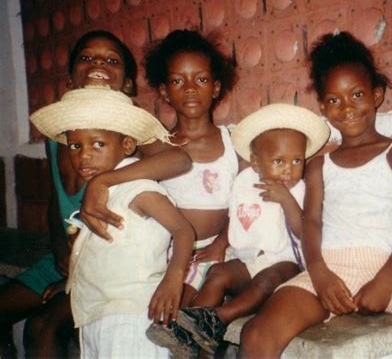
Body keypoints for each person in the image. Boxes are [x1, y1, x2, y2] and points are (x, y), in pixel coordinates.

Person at [238, 31, 392, 359]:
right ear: (322, 107)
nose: (346, 107)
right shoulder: (319, 165)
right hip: (327, 271)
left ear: (376, 94)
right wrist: (319, 276)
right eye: (334, 100)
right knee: (257, 334)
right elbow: (312, 224)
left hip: (391, 271)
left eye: (357, 94)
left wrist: (385, 282)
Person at [0, 29, 190, 359]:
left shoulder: (126, 133)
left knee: (42, 327)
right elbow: (53, 200)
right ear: (71, 78)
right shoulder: (62, 137)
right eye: (86, 57)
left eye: (111, 60)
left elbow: (179, 158)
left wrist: (103, 182)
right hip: (71, 259)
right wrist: (60, 247)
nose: (97, 63)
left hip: (112, 270)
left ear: (128, 84)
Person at [147, 103, 330, 356]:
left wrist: (286, 199)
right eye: (279, 161)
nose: (289, 169)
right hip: (247, 261)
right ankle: (188, 328)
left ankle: (217, 318)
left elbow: (304, 233)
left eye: (297, 160)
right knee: (219, 274)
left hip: (287, 264)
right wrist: (221, 244)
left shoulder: (300, 188)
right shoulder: (245, 182)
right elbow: (235, 217)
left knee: (266, 280)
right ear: (255, 162)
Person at [29, 85, 195, 359]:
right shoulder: (100, 195)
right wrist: (75, 282)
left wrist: (173, 279)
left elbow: (183, 230)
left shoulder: (138, 189)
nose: (83, 156)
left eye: (98, 144)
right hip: (97, 315)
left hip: (130, 318)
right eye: (75, 145)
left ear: (127, 146)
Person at [142, 29, 239, 307]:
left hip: (219, 250)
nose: (190, 88)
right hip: (167, 254)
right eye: (177, 80)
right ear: (164, 91)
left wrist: (221, 243)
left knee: (192, 310)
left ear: (216, 87)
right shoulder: (155, 147)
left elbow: (245, 200)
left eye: (201, 79)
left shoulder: (232, 143)